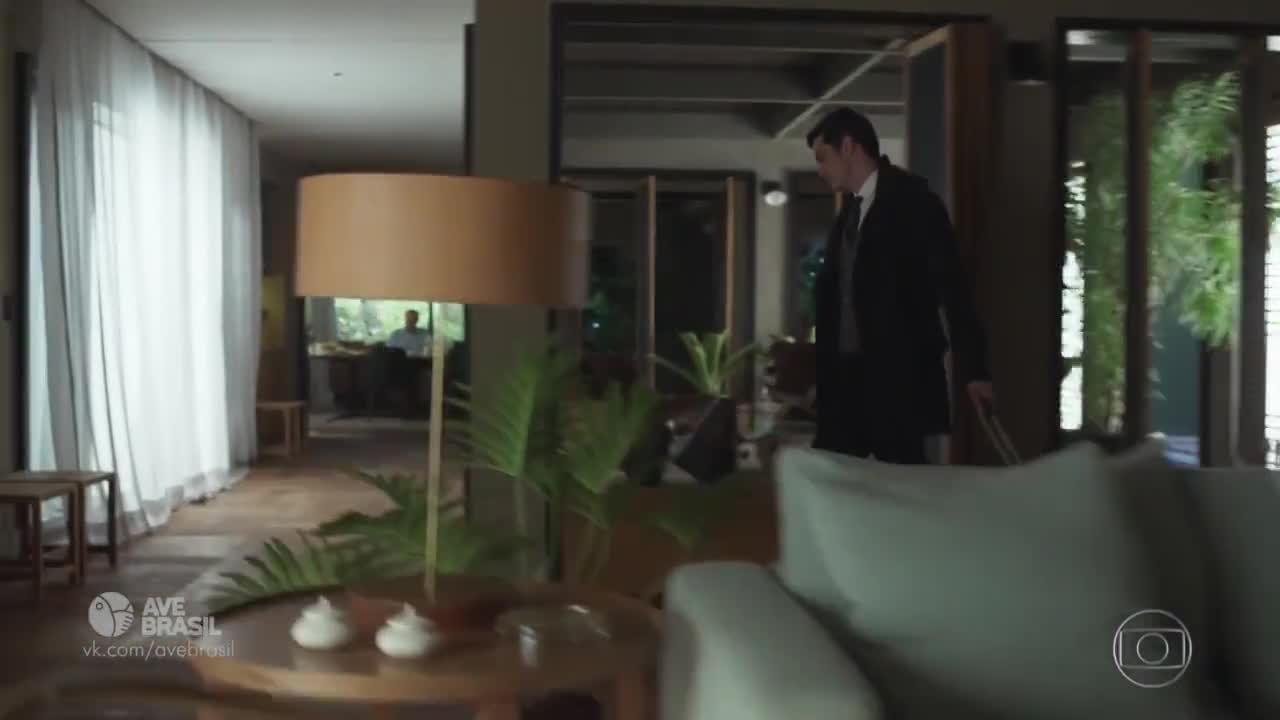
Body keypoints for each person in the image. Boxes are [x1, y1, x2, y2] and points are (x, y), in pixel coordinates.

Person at [806, 107, 994, 464]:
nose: (820, 169)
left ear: (848, 147)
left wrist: (976, 369)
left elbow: (953, 288)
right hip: (847, 384)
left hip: (898, 378)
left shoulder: (914, 202)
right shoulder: (849, 215)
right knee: (836, 479)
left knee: (900, 480)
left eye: (823, 157)